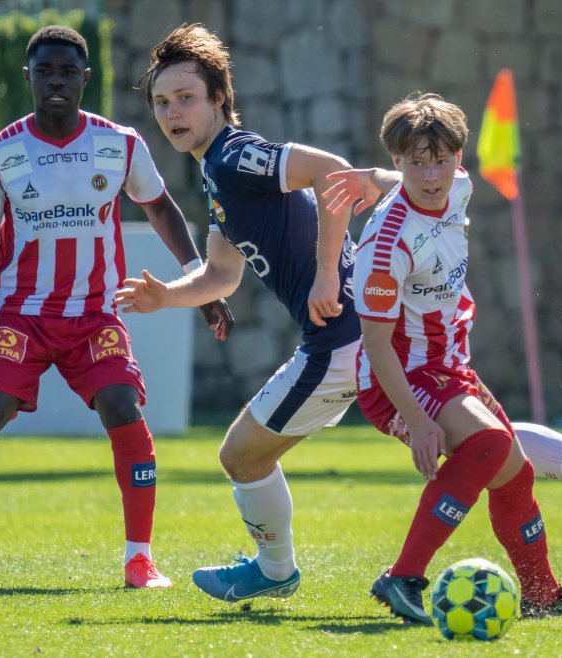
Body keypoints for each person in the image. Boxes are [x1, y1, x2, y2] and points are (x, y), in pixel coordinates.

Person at [0, 25, 233, 590]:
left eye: (68, 71)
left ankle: (140, 559)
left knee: (122, 406)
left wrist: (198, 280)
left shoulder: (120, 144)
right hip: (21, 312)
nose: (56, 81)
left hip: (95, 313)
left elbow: (161, 208)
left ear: (85, 78)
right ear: (29, 77)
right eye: (45, 71)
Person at [342, 92, 562, 623]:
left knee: (514, 473)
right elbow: (377, 345)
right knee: (489, 444)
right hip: (398, 377)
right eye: (416, 163)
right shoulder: (386, 245)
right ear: (398, 159)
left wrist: (374, 177)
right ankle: (402, 577)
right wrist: (418, 421)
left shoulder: (457, 187)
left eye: (440, 160)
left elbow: (415, 177)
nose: (430, 176)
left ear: (458, 158)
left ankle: (543, 596)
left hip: (446, 365)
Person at [114, 23, 361, 602]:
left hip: (340, 340)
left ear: (219, 98)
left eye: (186, 98)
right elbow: (222, 274)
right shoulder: (217, 171)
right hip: (354, 333)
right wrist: (167, 296)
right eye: (162, 103)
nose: (172, 113)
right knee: (463, 436)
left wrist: (327, 273)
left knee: (240, 456)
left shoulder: (233, 156)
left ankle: (275, 571)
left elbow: (333, 172)